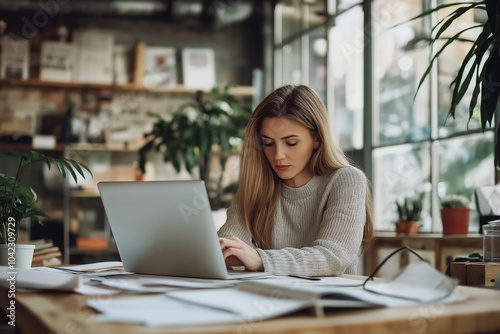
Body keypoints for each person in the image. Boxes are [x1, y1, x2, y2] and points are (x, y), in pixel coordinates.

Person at [218, 84, 373, 276]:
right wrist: (226, 253)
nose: (278, 155)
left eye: (291, 143)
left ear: (317, 138)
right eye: (268, 143)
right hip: (269, 300)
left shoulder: (346, 180)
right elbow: (230, 241)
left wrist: (260, 259)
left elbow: (334, 257)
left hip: (328, 302)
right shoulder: (257, 185)